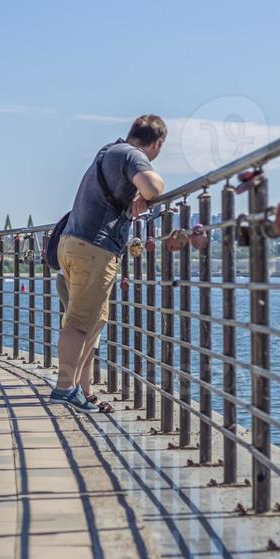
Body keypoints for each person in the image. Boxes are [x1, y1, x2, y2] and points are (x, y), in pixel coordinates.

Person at [50, 115, 167, 413]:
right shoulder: (131, 155)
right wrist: (146, 191)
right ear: (157, 143)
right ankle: (65, 388)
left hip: (74, 242)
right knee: (79, 322)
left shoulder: (108, 151)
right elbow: (154, 187)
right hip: (93, 248)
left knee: (95, 320)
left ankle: (78, 387)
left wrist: (131, 199)